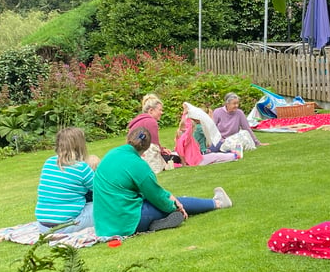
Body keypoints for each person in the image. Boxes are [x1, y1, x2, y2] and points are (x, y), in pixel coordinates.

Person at [93, 126, 233, 237]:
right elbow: (156, 196)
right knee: (176, 202)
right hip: (126, 222)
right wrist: (175, 205)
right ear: (147, 148)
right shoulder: (139, 165)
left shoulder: (110, 155)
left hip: (103, 223)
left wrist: (167, 196)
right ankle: (218, 203)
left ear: (127, 139)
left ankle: (156, 222)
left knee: (165, 200)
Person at [35, 127, 97, 234]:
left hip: (43, 226)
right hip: (65, 226)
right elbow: (102, 189)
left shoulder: (48, 162)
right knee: (103, 205)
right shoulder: (81, 168)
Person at [175, 102, 241, 166]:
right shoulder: (186, 138)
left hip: (196, 159)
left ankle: (232, 154)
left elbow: (180, 152)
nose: (193, 130)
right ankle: (234, 155)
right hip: (197, 161)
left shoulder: (180, 139)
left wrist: (184, 114)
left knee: (215, 155)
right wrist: (186, 113)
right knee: (215, 155)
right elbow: (188, 126)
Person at [128, 93, 180, 163]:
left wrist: (162, 149)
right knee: (176, 158)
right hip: (144, 156)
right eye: (160, 110)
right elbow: (154, 144)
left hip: (134, 154)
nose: (162, 112)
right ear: (151, 110)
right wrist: (162, 151)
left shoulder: (140, 120)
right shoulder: (151, 121)